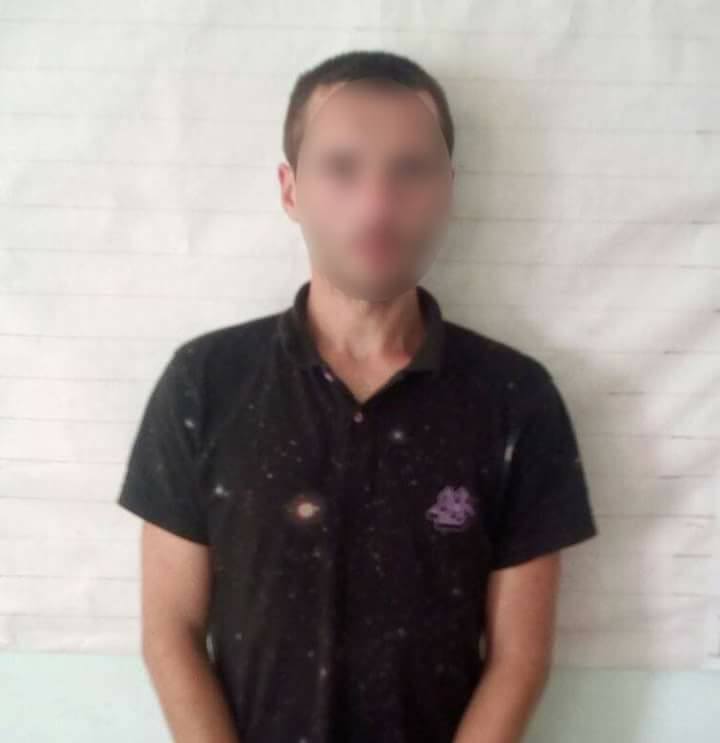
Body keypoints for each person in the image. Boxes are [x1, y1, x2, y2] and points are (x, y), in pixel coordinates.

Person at [117, 49, 598, 743]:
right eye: (342, 168)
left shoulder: (516, 399)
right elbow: (171, 631)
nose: (377, 204)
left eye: (410, 170)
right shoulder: (205, 382)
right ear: (290, 190)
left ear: (448, 189)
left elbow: (519, 660)